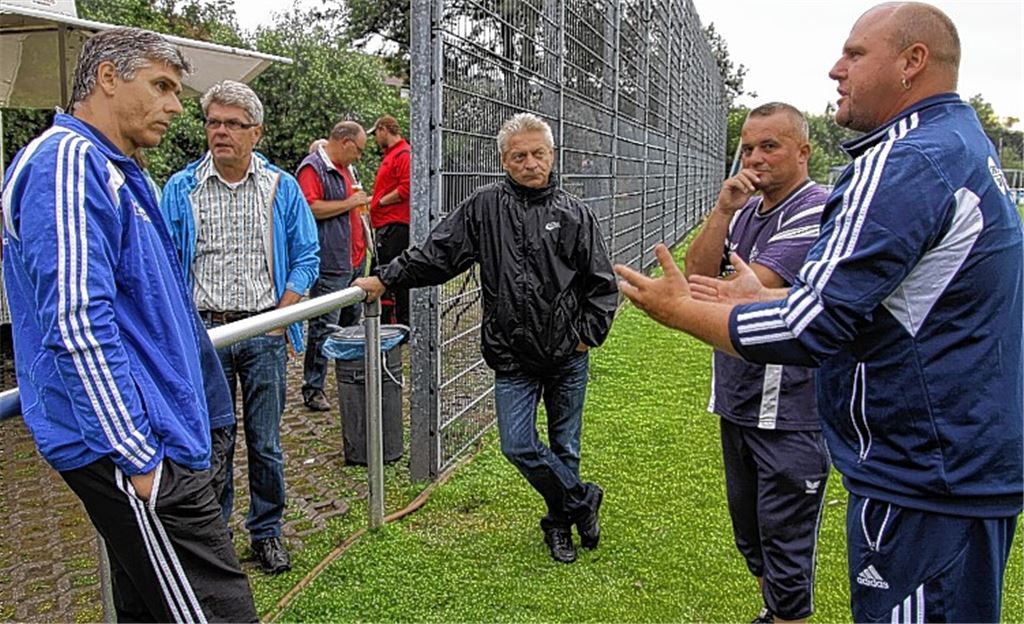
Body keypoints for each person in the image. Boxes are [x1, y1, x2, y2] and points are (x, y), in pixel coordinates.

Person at [616, 3, 1022, 621]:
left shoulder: (903, 161)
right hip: (950, 464)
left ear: (913, 62)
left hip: (923, 471)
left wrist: (678, 311)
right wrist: (762, 293)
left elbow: (813, 326)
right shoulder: (959, 146)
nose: (837, 69)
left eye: (855, 54)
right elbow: (881, 302)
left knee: (787, 538)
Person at [1, 28, 257, 620]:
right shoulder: (68, 162)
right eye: (162, 85)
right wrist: (138, 457)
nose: (175, 105)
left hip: (159, 437)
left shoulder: (116, 167)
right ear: (108, 78)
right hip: (139, 449)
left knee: (150, 607)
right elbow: (75, 319)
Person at [354, 112, 618, 564]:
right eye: (520, 156)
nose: (531, 163)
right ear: (503, 160)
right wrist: (386, 277)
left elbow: (602, 286)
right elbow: (438, 254)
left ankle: (559, 525)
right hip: (511, 353)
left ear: (553, 156)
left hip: (566, 356)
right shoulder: (484, 206)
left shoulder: (576, 214)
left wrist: (582, 339)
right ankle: (581, 500)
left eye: (539, 154)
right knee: (517, 444)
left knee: (564, 445)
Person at [161, 80, 320, 574]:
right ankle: (215, 536)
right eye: (214, 122)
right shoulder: (181, 188)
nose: (221, 132)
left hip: (263, 333)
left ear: (257, 132)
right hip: (204, 335)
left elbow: (306, 256)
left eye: (233, 124)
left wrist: (284, 313)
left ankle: (266, 532)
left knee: (266, 441)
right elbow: (165, 263)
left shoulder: (281, 188)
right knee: (212, 442)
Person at [684, 102, 830, 624]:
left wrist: (706, 295)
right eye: (747, 148)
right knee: (753, 539)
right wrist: (722, 210)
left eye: (770, 146)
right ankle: (775, 612)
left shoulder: (817, 209)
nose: (755, 158)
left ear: (803, 151)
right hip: (739, 397)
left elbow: (742, 294)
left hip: (789, 410)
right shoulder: (745, 210)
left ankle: (786, 613)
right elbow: (695, 277)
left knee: (785, 543)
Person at [297, 121, 369, 412]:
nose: (359, 158)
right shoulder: (313, 168)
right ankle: (313, 387)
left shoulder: (345, 168)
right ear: (345, 142)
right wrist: (351, 203)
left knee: (351, 325)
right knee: (323, 327)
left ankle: (347, 380)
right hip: (331, 261)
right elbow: (308, 207)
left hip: (354, 259)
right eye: (359, 151)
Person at [367, 115, 411, 324]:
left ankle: (397, 322)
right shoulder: (392, 155)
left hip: (395, 226)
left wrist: (381, 202)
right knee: (383, 270)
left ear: (384, 129)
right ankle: (388, 320)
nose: (376, 138)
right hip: (386, 224)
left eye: (376, 133)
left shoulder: (402, 154)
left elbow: (405, 188)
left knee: (389, 273)